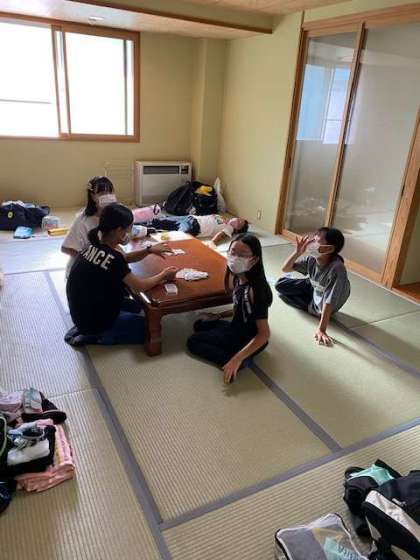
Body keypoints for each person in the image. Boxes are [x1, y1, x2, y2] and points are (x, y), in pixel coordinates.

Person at [65, 203, 177, 347]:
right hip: (94, 322)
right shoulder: (114, 257)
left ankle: (92, 329)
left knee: (138, 307)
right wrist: (164, 275)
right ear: (118, 230)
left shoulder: (93, 245)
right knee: (151, 329)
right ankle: (97, 336)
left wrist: (149, 250)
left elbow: (125, 258)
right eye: (129, 228)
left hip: (83, 311)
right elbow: (139, 286)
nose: (130, 232)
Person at [187, 234, 272, 383]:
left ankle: (237, 360)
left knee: (193, 342)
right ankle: (242, 353)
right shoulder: (240, 277)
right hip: (236, 328)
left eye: (243, 255)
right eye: (233, 252)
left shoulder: (255, 290)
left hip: (247, 338)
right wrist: (219, 315)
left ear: (254, 260)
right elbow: (242, 309)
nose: (236, 258)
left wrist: (237, 359)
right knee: (200, 324)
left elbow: (264, 334)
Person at [62, 176, 169, 276]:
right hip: (85, 271)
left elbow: (124, 241)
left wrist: (148, 247)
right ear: (92, 195)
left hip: (105, 260)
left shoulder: (114, 212)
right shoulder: (83, 220)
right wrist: (90, 263)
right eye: (102, 192)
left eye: (110, 191)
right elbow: (66, 248)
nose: (107, 195)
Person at [275, 227, 350, 346]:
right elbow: (285, 268)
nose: (311, 243)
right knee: (280, 285)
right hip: (315, 287)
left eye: (316, 241)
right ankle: (309, 283)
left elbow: (330, 300)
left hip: (322, 301)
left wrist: (321, 329)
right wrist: (297, 252)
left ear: (329, 248)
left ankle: (309, 290)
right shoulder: (312, 259)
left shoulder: (337, 269)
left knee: (285, 296)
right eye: (313, 239)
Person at [135, 213, 248, 245]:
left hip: (194, 226)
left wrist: (212, 243)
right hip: (189, 218)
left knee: (177, 237)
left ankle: (149, 234)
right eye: (239, 219)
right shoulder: (222, 217)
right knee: (159, 221)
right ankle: (133, 224)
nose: (237, 220)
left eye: (239, 223)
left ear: (237, 230)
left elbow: (221, 235)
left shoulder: (229, 229)